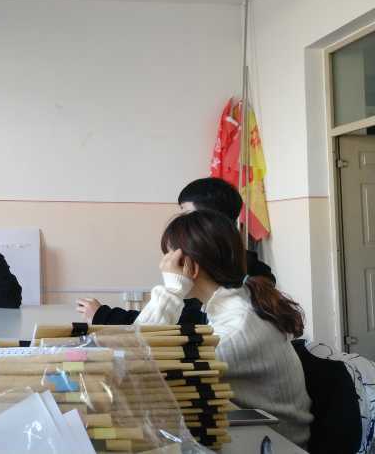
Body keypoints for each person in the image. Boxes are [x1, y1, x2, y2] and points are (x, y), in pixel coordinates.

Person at [137, 209, 312, 446]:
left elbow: (134, 363)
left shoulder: (236, 329)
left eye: (170, 257)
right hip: (255, 436)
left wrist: (171, 291)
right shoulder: (238, 304)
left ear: (190, 266)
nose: (163, 265)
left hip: (275, 446)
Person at [77, 177, 275, 324]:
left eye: (186, 214)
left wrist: (105, 316)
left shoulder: (238, 296)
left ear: (209, 221)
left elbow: (177, 324)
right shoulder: (236, 268)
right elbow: (172, 316)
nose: (182, 222)